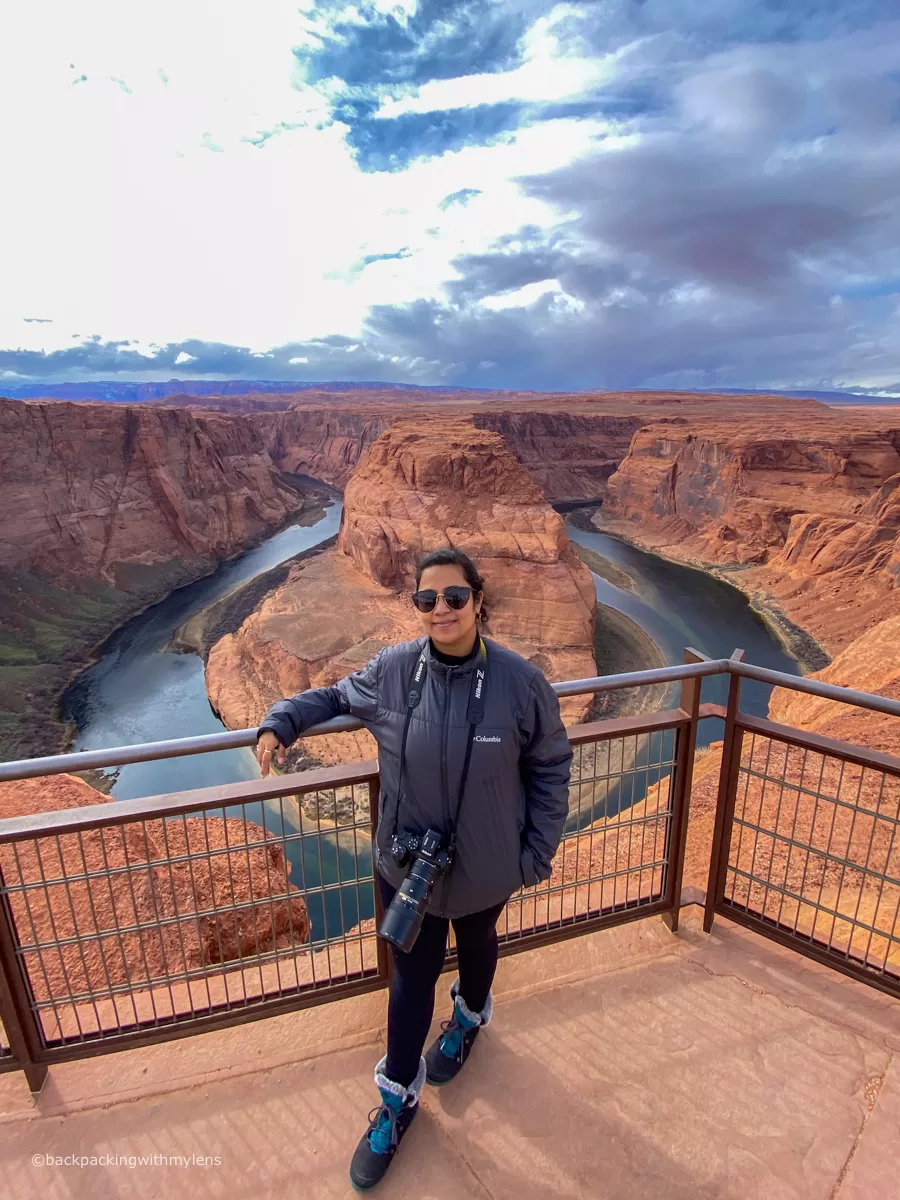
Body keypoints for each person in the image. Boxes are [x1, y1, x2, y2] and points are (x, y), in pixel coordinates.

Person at [256, 548, 572, 1191]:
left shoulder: (519, 682)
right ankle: (396, 1098)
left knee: (479, 944)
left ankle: (469, 1020)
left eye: (455, 597)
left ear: (478, 600)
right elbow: (333, 695)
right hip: (409, 870)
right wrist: (281, 722)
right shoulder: (395, 671)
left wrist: (534, 854)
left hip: (486, 866)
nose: (441, 610)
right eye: (427, 599)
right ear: (417, 606)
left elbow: (550, 766)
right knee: (411, 978)